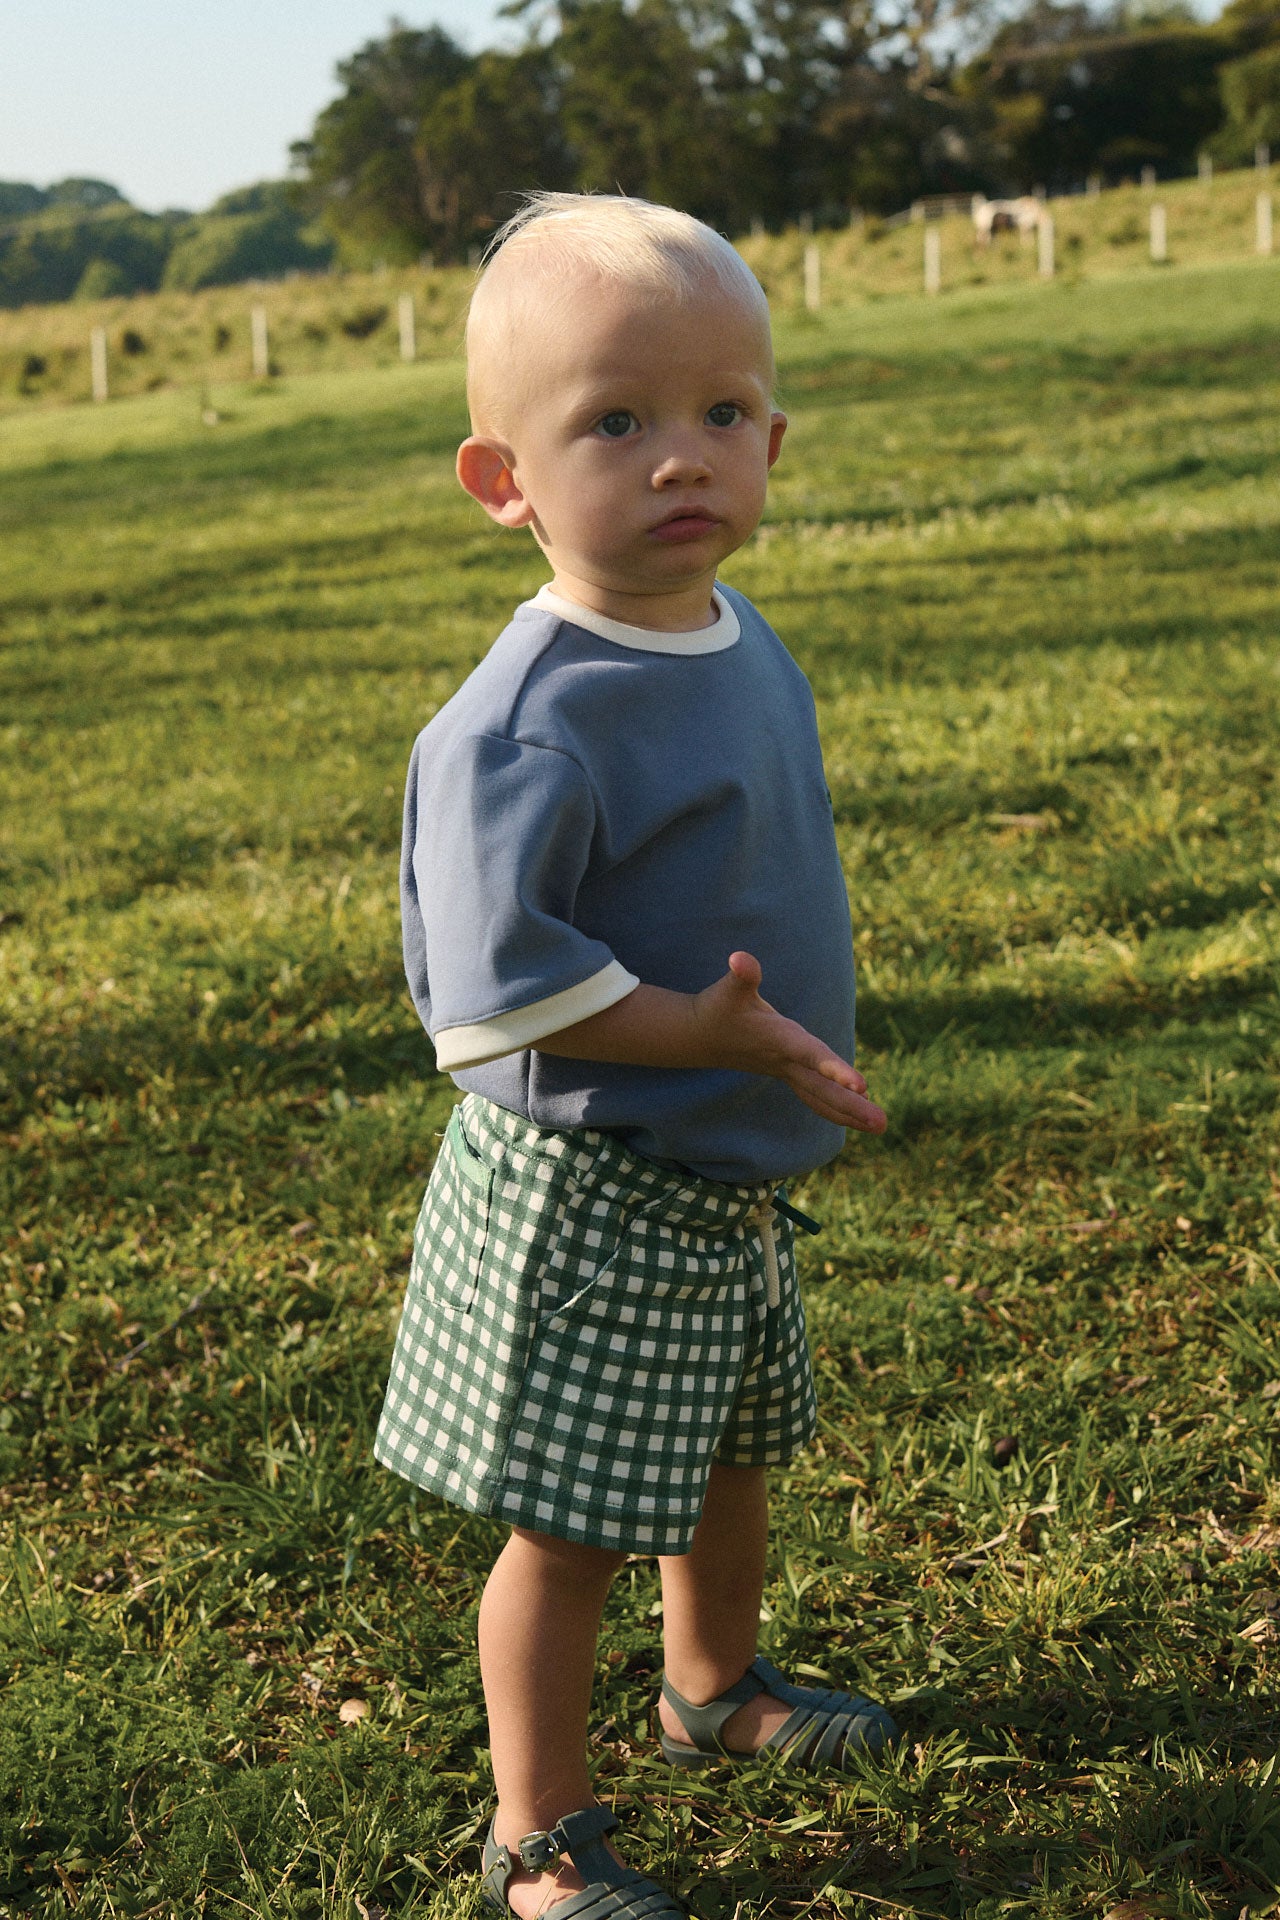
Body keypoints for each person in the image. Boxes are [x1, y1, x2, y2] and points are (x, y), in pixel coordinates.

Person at [375, 192, 897, 1920]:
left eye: (720, 415)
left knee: (728, 1459)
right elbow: (496, 994)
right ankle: (537, 1834)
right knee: (574, 1518)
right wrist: (707, 1033)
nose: (683, 461)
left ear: (773, 437)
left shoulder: (747, 643)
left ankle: (714, 1688)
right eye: (615, 422)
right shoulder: (526, 721)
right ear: (504, 479)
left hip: (725, 1169)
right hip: (595, 1189)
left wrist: (775, 1056)